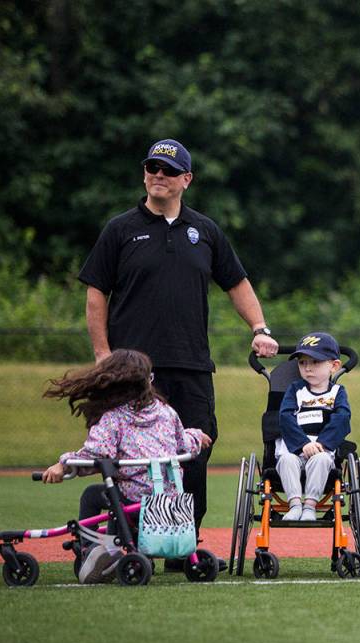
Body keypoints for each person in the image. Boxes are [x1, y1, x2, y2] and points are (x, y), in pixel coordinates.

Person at [77, 138, 278, 565]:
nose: (158, 176)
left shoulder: (204, 232)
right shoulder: (119, 229)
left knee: (194, 451)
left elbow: (236, 283)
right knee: (127, 456)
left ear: (186, 179)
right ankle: (123, 544)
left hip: (190, 364)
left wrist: (259, 328)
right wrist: (101, 355)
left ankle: (182, 543)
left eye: (168, 170)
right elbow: (97, 292)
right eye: (152, 168)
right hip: (131, 370)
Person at [40, 350, 211, 583]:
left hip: (137, 503)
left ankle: (91, 550)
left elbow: (96, 455)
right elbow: (184, 446)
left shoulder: (113, 418)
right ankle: (112, 548)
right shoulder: (167, 412)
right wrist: (197, 435)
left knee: (93, 495)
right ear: (148, 381)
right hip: (170, 501)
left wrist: (64, 463)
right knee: (116, 496)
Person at [277, 332, 351, 522]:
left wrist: (322, 444)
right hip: (294, 448)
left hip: (322, 448)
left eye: (315, 362)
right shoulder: (295, 390)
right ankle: (294, 505)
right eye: (302, 363)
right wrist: (302, 444)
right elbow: (285, 417)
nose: (307, 368)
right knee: (286, 460)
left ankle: (310, 506)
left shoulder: (337, 392)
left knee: (321, 460)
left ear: (334, 365)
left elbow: (342, 418)